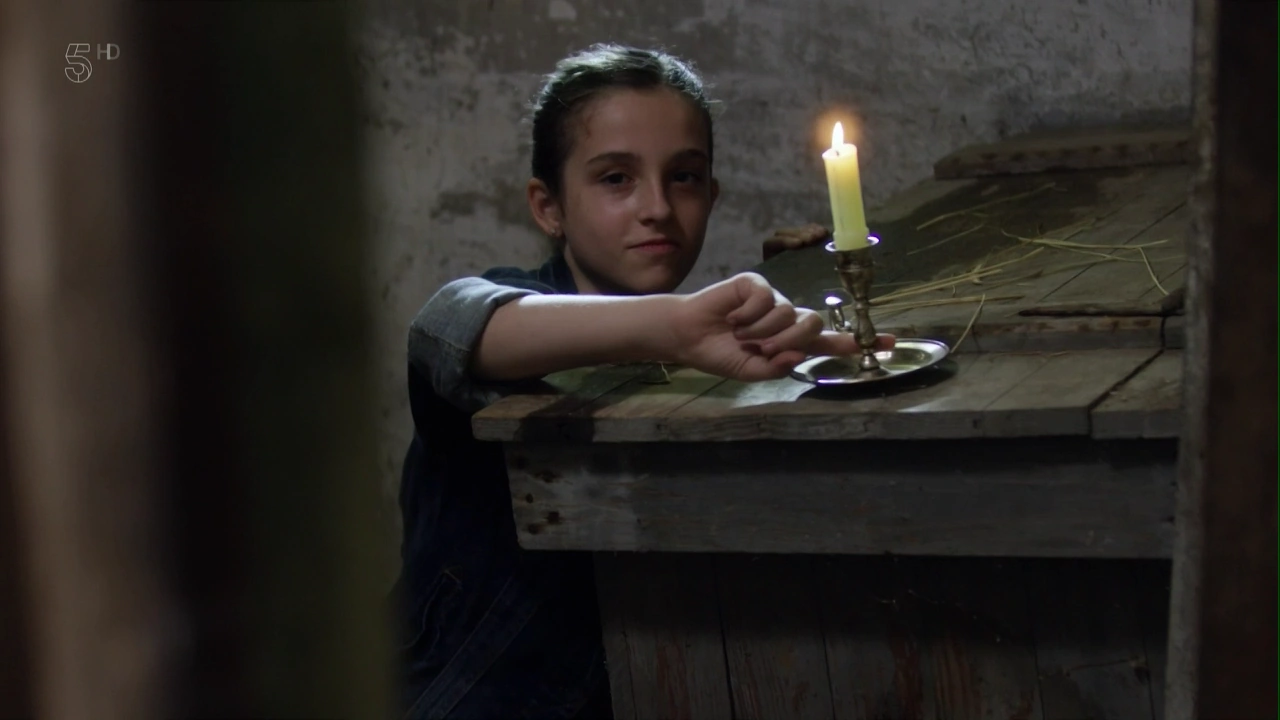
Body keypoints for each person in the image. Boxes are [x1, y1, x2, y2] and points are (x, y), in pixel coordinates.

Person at [393, 43, 892, 720]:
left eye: (683, 177)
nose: (657, 207)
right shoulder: (520, 318)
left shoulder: (697, 348)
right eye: (615, 179)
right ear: (548, 207)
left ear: (711, 195)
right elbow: (447, 323)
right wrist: (674, 325)